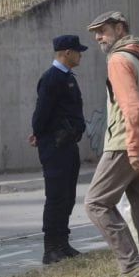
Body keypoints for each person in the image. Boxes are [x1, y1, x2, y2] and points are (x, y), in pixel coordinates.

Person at [85, 11, 139, 277]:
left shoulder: (119, 60)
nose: (98, 37)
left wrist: (132, 150)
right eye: (95, 32)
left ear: (120, 29)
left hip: (125, 144)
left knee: (96, 203)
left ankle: (130, 264)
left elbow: (132, 108)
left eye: (103, 31)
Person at [29, 35, 88, 264]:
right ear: (66, 53)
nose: (80, 54)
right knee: (55, 196)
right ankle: (51, 248)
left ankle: (62, 243)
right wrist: (39, 133)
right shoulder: (52, 78)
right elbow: (41, 113)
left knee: (68, 196)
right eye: (77, 51)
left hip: (67, 144)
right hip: (55, 145)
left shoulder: (66, 77)